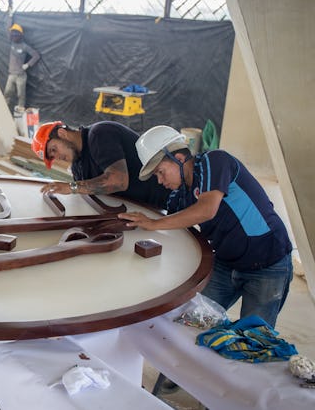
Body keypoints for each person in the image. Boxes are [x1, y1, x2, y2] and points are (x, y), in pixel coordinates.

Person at [118, 125, 293, 328]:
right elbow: (175, 231)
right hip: (225, 263)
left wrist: (153, 223)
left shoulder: (215, 161)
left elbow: (206, 209)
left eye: (160, 172)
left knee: (253, 336)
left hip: (268, 263)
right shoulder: (180, 196)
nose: (160, 180)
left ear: (179, 158)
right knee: (194, 321)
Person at [31, 120, 171, 209]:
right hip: (141, 213)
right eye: (52, 157)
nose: (57, 157)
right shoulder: (78, 167)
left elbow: (118, 181)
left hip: (168, 206)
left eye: (53, 149)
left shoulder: (100, 134)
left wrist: (72, 187)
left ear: (62, 133)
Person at [4, 23, 40, 112]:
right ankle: (3, 110)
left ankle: (20, 112)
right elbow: (7, 31)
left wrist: (27, 65)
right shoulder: (11, 42)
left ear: (20, 35)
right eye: (12, 33)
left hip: (20, 75)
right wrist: (9, 16)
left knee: (21, 95)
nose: (13, 35)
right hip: (11, 74)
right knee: (7, 93)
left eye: (16, 33)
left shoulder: (24, 46)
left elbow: (36, 55)